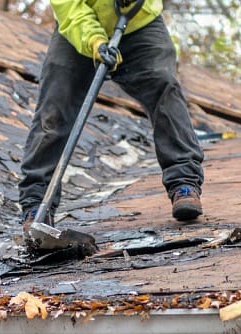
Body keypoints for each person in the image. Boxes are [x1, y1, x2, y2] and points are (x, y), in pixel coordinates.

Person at [19, 0, 204, 232]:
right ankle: (37, 205)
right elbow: (68, 6)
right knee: (54, 111)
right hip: (78, 28)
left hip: (140, 22)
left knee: (164, 88)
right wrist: (95, 41)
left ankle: (184, 184)